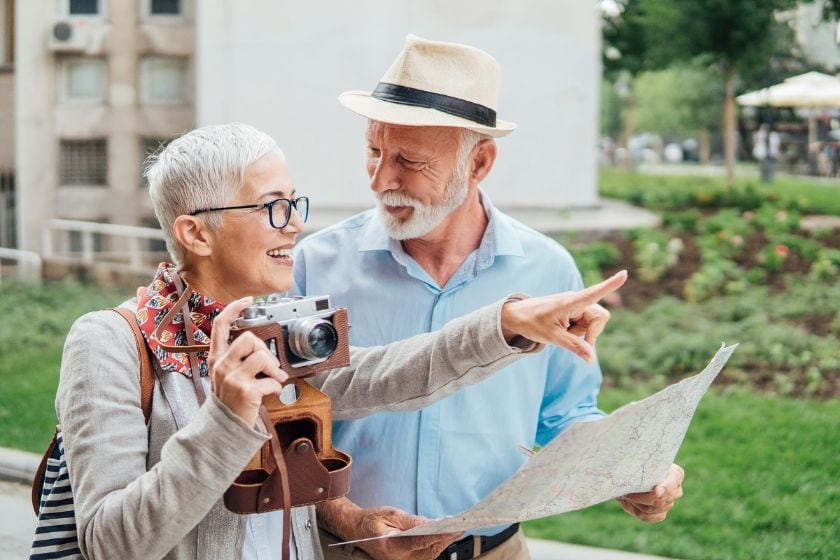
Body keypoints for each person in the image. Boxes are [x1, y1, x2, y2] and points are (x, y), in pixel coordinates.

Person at [50, 122, 627, 560]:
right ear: (196, 232)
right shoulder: (110, 343)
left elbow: (389, 374)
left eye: (292, 204)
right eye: (272, 207)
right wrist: (226, 420)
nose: (294, 224)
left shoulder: (273, 326)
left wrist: (508, 324)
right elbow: (110, 541)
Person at [293, 35, 685, 560]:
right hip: (345, 548)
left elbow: (567, 412)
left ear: (479, 164)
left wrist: (631, 469)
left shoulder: (549, 269)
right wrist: (347, 517)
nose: (381, 179)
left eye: (409, 160)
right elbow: (286, 426)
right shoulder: (317, 265)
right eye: (374, 151)